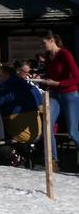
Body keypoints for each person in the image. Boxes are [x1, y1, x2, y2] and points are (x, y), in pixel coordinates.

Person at [32, 31, 79, 171]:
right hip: (54, 94)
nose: (42, 46)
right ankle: (53, 161)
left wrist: (58, 83)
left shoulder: (65, 54)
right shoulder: (48, 57)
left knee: (72, 131)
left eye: (44, 43)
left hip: (69, 94)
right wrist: (42, 79)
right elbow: (51, 75)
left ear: (52, 40)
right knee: (47, 127)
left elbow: (77, 77)